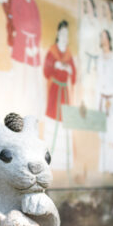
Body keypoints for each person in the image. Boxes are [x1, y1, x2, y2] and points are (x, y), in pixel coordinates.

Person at [42, 20, 76, 172]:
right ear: (58, 33)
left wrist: (69, 69)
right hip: (54, 90)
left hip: (65, 93)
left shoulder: (69, 54)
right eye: (62, 33)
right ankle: (49, 158)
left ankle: (63, 162)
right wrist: (54, 65)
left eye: (66, 34)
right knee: (52, 120)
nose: (64, 36)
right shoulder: (52, 51)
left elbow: (74, 74)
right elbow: (46, 70)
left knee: (64, 123)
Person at [95, 30, 113, 174]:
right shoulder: (99, 59)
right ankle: (104, 165)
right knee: (103, 133)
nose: (103, 40)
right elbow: (99, 79)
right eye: (101, 37)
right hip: (102, 97)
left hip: (112, 99)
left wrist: (112, 97)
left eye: (105, 37)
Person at [78, 0, 100, 109]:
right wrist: (82, 57)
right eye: (88, 6)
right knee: (85, 83)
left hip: (94, 58)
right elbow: (82, 39)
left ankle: (92, 107)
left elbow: (98, 41)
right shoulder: (85, 20)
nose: (89, 8)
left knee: (93, 85)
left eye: (91, 6)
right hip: (86, 56)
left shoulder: (97, 22)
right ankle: (83, 106)